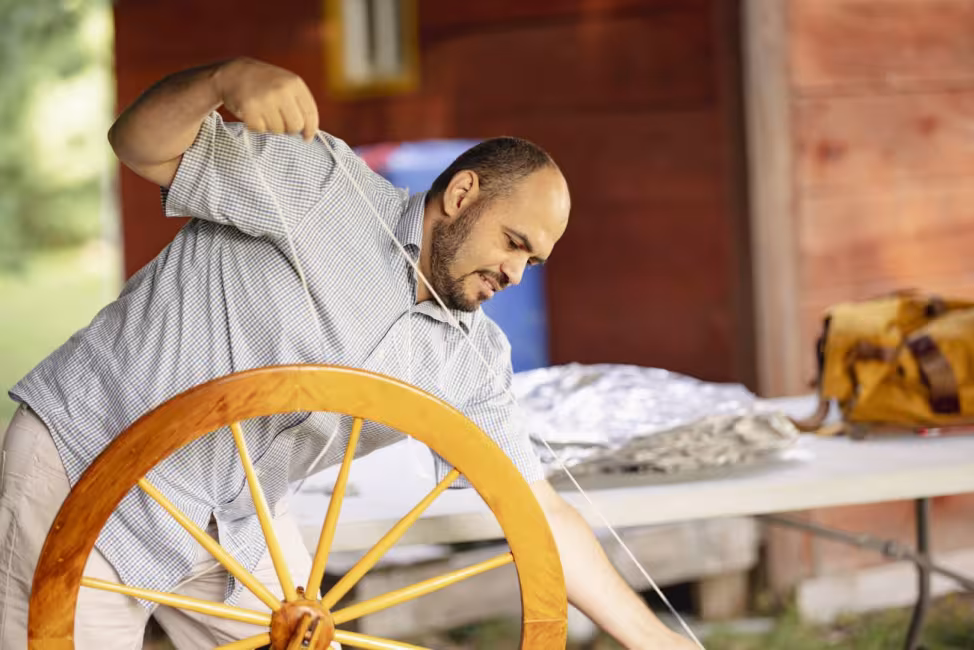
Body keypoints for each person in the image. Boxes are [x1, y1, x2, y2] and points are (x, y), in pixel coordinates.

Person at [0, 57, 697, 649]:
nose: (517, 274)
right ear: (460, 195)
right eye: (515, 243)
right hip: (85, 463)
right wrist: (225, 78)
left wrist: (656, 639)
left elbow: (538, 511)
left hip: (231, 521)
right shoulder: (316, 185)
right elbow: (137, 143)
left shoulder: (471, 361)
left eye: (535, 262)